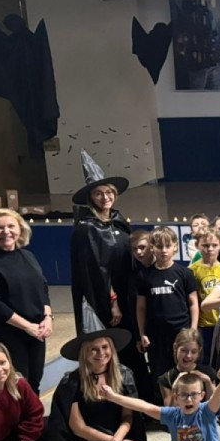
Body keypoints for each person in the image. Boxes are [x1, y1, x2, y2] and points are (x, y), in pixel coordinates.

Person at [69, 154, 147, 397]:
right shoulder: (86, 229)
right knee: (112, 349)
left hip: (128, 296)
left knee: (132, 349)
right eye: (98, 193)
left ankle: (138, 398)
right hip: (107, 302)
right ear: (90, 198)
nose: (105, 198)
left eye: (109, 192)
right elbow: (95, 273)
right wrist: (112, 302)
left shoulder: (118, 222)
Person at [0, 208, 53, 402]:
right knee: (12, 386)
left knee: (33, 383)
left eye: (11, 226)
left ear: (20, 229)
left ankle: (32, 420)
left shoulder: (28, 256)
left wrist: (48, 317)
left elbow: (42, 288)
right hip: (7, 334)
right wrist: (27, 326)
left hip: (35, 332)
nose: (6, 231)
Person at [135, 226, 199, 395]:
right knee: (160, 373)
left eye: (167, 246)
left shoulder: (185, 273)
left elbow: (193, 303)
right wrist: (142, 333)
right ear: (152, 248)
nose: (163, 250)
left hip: (181, 332)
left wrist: (193, 329)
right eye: (159, 246)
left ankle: (188, 404)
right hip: (156, 335)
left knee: (185, 372)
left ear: (175, 247)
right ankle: (166, 407)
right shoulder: (144, 276)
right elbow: (141, 307)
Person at [189, 229, 220, 358]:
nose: (210, 249)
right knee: (205, 359)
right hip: (203, 324)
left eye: (214, 245)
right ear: (197, 245)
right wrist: (193, 326)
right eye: (205, 245)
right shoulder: (192, 270)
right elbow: (191, 300)